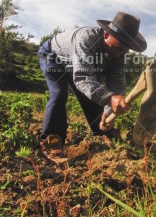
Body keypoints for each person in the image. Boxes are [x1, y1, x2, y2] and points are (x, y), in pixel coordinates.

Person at [38, 12, 147, 156]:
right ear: (106, 35)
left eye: (123, 51)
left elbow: (116, 85)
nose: (119, 54)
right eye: (117, 48)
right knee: (59, 93)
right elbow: (82, 77)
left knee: (92, 95)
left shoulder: (119, 56)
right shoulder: (87, 39)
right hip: (54, 57)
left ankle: (102, 129)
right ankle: (52, 140)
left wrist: (108, 112)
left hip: (77, 64)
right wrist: (109, 98)